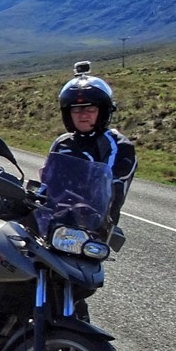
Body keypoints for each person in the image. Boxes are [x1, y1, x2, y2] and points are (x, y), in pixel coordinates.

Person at [50, 61, 137, 227]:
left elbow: (108, 187)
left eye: (90, 109)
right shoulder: (61, 143)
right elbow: (47, 185)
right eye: (76, 109)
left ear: (102, 112)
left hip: (93, 229)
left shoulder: (118, 145)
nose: (83, 115)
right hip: (52, 225)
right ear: (68, 114)